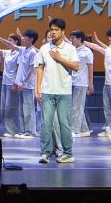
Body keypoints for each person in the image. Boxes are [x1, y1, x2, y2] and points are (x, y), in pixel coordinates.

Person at [35, 18, 79, 164]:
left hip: (64, 92)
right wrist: (38, 89)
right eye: (51, 29)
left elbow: (76, 66)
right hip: (47, 91)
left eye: (56, 30)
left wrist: (59, 58)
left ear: (62, 31)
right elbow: (40, 69)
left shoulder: (70, 49)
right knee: (46, 124)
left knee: (64, 124)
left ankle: (67, 153)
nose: (53, 32)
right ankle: (45, 153)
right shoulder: (44, 49)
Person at [12, 29, 40, 138]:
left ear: (31, 39)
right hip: (20, 84)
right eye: (22, 36)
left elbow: (32, 69)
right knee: (22, 109)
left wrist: (24, 82)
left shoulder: (33, 52)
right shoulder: (23, 49)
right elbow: (11, 45)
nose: (23, 39)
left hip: (28, 85)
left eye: (25, 37)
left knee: (28, 109)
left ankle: (30, 131)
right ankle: (23, 130)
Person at [0, 33, 22, 138]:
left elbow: (19, 69)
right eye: (8, 40)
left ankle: (13, 130)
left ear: (16, 42)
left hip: (12, 84)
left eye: (10, 40)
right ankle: (7, 129)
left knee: (11, 108)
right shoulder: (8, 52)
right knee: (4, 107)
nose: (8, 42)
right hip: (4, 83)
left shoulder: (18, 53)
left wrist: (16, 83)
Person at [69, 30, 94, 137]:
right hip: (73, 82)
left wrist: (90, 84)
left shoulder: (87, 52)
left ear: (79, 39)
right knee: (77, 107)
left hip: (81, 82)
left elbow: (90, 69)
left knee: (77, 108)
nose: (71, 40)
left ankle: (75, 130)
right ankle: (84, 129)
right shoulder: (73, 50)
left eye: (73, 38)